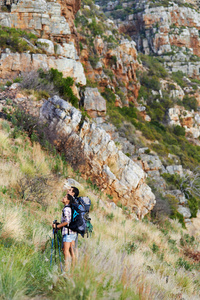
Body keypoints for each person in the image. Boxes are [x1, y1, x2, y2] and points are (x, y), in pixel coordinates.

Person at [52, 193, 77, 271]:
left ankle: (66, 270)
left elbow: (67, 221)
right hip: (73, 232)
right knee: (72, 251)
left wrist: (57, 226)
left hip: (67, 232)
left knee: (65, 251)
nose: (63, 198)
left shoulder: (66, 209)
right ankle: (73, 270)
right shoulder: (70, 209)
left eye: (65, 197)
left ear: (68, 200)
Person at [67, 186, 79, 257]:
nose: (68, 191)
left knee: (72, 248)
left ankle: (74, 265)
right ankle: (75, 264)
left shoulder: (72, 201)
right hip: (75, 226)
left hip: (72, 227)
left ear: (73, 193)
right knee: (74, 247)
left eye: (70, 190)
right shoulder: (76, 202)